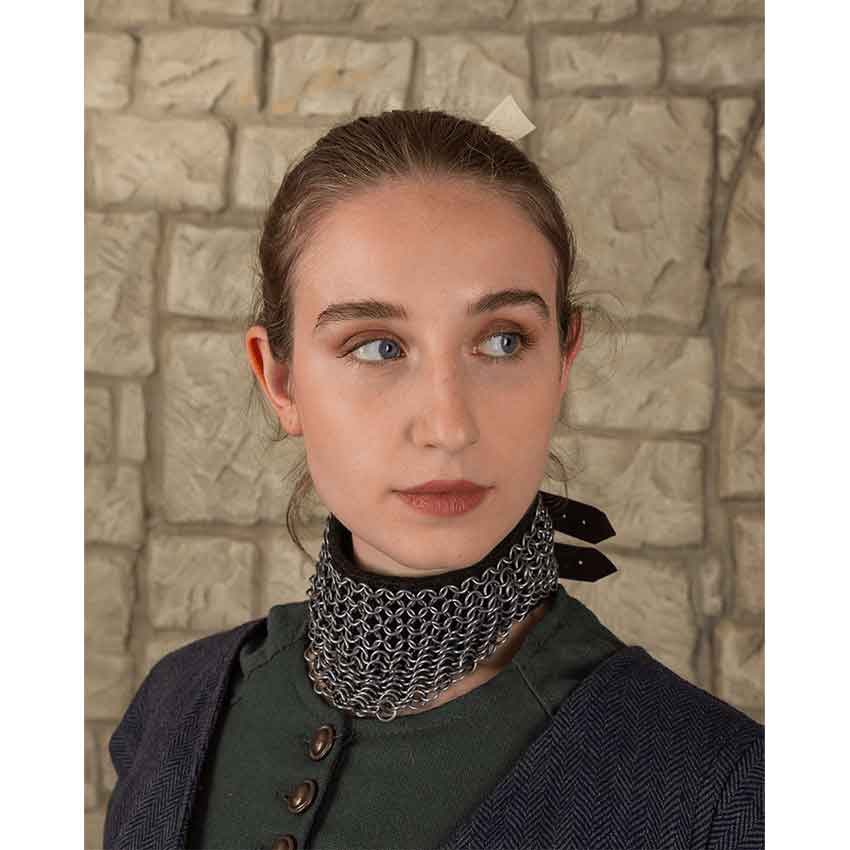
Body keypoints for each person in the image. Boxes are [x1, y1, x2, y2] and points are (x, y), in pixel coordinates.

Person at [102, 102, 764, 850]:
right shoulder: (170, 711)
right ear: (279, 380)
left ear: (563, 361)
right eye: (377, 347)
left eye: (503, 341)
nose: (448, 426)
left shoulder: (724, 792)